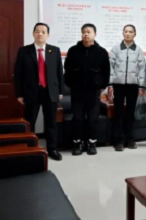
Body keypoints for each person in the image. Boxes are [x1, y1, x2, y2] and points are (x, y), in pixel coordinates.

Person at [14, 23, 64, 161]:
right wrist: (19, 94)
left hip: (50, 92)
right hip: (31, 92)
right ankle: (29, 148)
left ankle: (52, 149)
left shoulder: (54, 50)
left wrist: (60, 91)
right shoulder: (24, 51)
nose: (40, 34)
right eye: (37, 31)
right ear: (33, 34)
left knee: (51, 123)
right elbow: (18, 74)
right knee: (30, 122)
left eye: (43, 32)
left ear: (47, 35)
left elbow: (59, 72)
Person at [64, 23, 110, 156]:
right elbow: (67, 70)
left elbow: (106, 71)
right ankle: (77, 143)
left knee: (92, 119)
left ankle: (91, 143)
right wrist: (71, 84)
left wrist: (102, 86)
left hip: (93, 91)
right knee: (77, 118)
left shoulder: (101, 52)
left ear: (95, 34)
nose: (86, 34)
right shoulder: (73, 50)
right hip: (77, 91)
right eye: (84, 32)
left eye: (89, 32)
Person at [108, 25, 146, 152]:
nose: (128, 33)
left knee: (130, 113)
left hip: (133, 86)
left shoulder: (138, 50)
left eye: (130, 32)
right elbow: (110, 68)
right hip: (118, 85)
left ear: (135, 34)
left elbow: (142, 69)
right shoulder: (116, 49)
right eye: (126, 31)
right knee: (118, 113)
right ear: (123, 33)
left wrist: (141, 85)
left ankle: (130, 139)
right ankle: (118, 141)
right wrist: (110, 85)